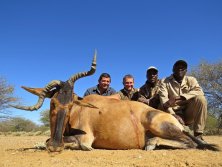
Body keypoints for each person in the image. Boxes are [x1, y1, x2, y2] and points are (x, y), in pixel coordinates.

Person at [159, 60, 207, 140]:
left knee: (201, 99)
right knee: (160, 106)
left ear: (186, 71)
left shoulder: (191, 80)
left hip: (188, 113)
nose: (180, 69)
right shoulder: (164, 81)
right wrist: (174, 115)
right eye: (177, 67)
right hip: (173, 113)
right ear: (173, 69)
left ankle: (198, 134)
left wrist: (179, 97)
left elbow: (199, 91)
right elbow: (164, 101)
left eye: (182, 68)